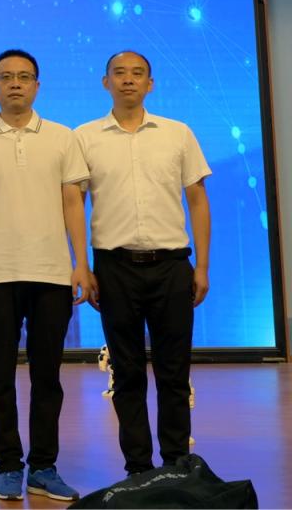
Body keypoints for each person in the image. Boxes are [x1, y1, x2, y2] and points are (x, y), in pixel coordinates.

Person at [0, 49, 90, 502]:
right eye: (6, 77)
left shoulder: (62, 137)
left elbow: (73, 203)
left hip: (51, 272)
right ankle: (9, 466)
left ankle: (44, 467)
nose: (15, 83)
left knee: (47, 375)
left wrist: (81, 262)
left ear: (37, 85)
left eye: (24, 76)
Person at [75, 50, 210, 476]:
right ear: (106, 82)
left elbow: (197, 200)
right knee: (126, 372)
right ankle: (138, 468)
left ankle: (176, 463)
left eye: (138, 74)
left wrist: (202, 267)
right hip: (114, 268)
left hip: (171, 265)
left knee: (174, 371)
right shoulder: (85, 137)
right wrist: (82, 266)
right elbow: (73, 204)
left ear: (150, 84)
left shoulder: (177, 133)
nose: (128, 80)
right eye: (120, 73)